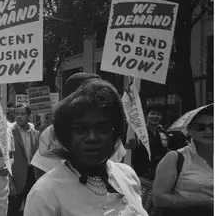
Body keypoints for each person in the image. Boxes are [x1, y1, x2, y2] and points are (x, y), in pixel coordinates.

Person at [24, 79, 146, 216]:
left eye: (102, 129)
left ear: (115, 134)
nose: (92, 138)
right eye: (81, 130)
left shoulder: (127, 175)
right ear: (67, 136)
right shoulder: (45, 193)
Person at [152, 106, 213, 215]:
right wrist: (204, 202)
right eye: (200, 127)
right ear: (189, 130)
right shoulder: (175, 158)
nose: (208, 131)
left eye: (213, 126)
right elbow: (158, 198)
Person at [129, 105, 169, 213]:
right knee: (139, 211)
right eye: (153, 113)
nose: (155, 116)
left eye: (158, 114)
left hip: (157, 180)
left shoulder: (163, 134)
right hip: (141, 179)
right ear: (147, 116)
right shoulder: (137, 133)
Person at [9, 104, 40, 216]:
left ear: (29, 116)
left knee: (30, 210)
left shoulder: (36, 134)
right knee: (13, 211)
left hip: (33, 175)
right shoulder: (9, 133)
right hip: (16, 177)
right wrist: (10, 182)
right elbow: (6, 158)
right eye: (16, 114)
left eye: (22, 114)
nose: (19, 117)